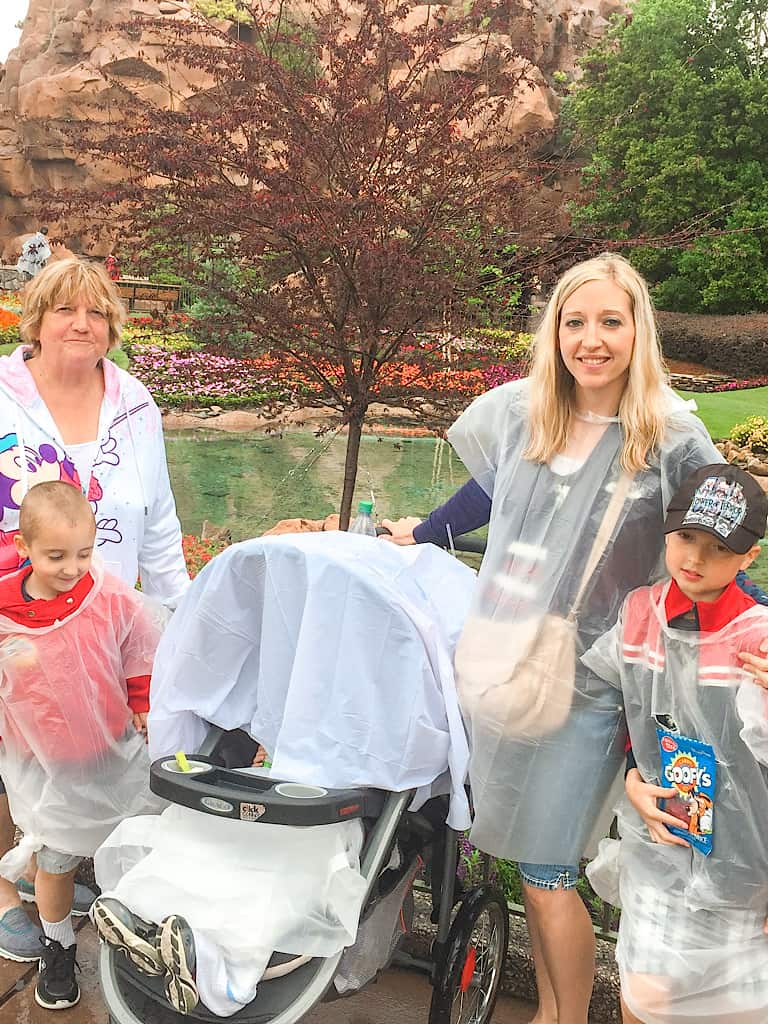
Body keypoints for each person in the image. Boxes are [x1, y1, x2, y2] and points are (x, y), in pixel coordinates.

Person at [381, 253, 768, 1024]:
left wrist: (753, 624)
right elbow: (487, 490)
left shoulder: (673, 437)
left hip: (594, 683)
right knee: (532, 868)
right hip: (504, 662)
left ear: (638, 331)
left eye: (610, 322)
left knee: (551, 869)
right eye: (575, 321)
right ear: (555, 330)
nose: (591, 339)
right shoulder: (529, 410)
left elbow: (713, 541)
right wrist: (420, 535)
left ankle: (561, 1017)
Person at [0, 256, 189, 962]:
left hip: (106, 625)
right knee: (11, 753)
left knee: (92, 754)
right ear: (35, 320)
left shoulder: (136, 403)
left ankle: (67, 870)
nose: (82, 324)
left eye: (98, 312)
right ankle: (7, 894)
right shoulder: (1, 395)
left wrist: (180, 623)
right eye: (65, 310)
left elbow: (163, 525)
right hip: (15, 621)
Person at [582, 464, 768, 1023]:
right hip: (660, 846)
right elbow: (618, 720)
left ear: (749, 556)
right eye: (686, 536)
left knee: (734, 1004)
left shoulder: (758, 644)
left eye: (718, 546)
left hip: (744, 874)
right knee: (644, 991)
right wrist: (632, 786)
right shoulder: (639, 615)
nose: (696, 558)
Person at [0, 482, 164, 1010]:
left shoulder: (104, 594)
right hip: (47, 769)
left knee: (139, 840)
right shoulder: (6, 615)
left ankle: (143, 935)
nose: (73, 568)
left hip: (110, 750)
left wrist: (142, 700)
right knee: (56, 857)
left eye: (84, 553)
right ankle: (58, 943)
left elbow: (140, 639)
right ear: (22, 548)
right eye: (56, 556)